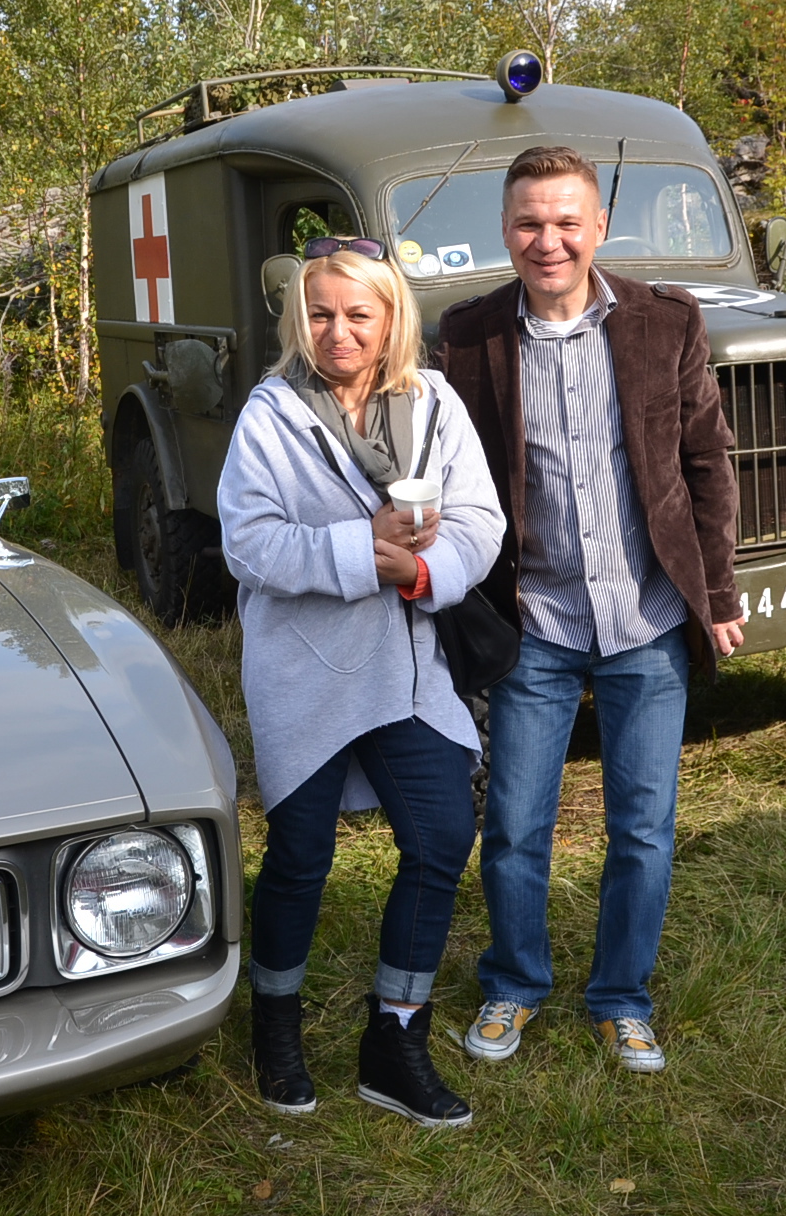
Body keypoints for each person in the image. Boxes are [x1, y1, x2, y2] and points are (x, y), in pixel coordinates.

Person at [434, 145, 747, 1075]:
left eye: (567, 222)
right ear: (505, 230)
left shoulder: (665, 321)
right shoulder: (469, 337)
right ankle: (514, 983)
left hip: (646, 620)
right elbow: (445, 472)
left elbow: (706, 463)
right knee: (514, 827)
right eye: (530, 222)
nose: (550, 241)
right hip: (533, 623)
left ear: (599, 227)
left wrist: (717, 592)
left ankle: (621, 998)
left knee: (642, 829)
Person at [218, 237, 506, 1126]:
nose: (337, 331)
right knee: (300, 855)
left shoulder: (434, 403)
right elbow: (248, 544)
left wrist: (420, 573)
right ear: (297, 320)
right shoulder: (271, 414)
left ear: (390, 320)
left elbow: (481, 520)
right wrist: (362, 552)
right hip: (303, 669)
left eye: (357, 314)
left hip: (406, 672)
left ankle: (395, 1039)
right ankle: (276, 1024)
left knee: (441, 836)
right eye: (319, 313)